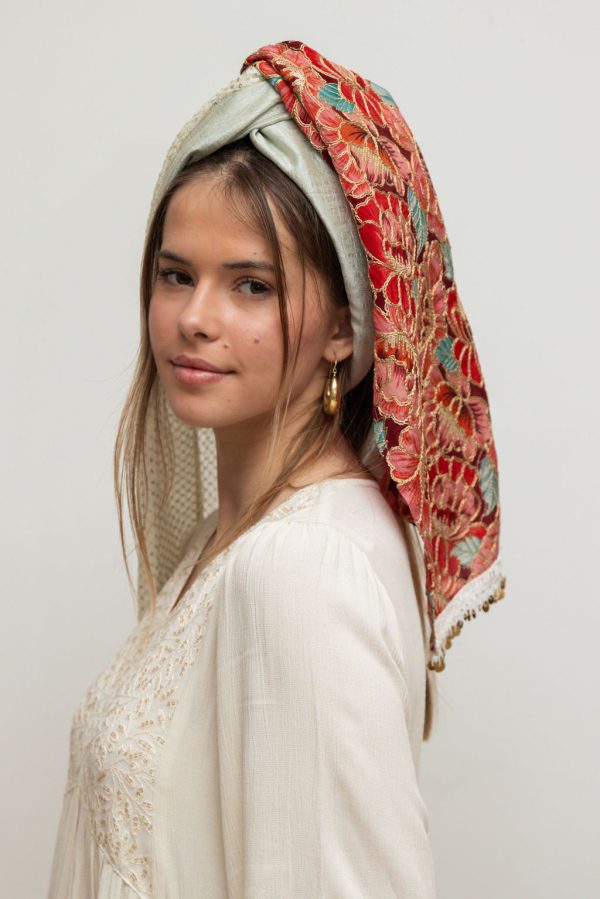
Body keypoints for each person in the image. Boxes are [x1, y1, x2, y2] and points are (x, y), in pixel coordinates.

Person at [47, 40, 505, 899]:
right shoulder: (233, 544)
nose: (194, 317)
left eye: (250, 285)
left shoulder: (302, 569)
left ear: (344, 328)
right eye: (176, 274)